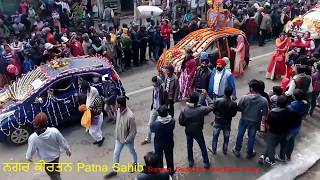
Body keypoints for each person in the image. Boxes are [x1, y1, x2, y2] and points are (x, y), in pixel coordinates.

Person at [26, 112, 71, 180]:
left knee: (51, 174)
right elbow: (62, 142)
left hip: (46, 159)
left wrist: (28, 157)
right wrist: (67, 149)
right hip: (56, 156)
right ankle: (57, 174)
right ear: (46, 122)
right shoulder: (54, 131)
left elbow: (31, 150)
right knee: (55, 166)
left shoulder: (33, 138)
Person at [233, 79, 269, 159]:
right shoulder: (263, 100)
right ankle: (249, 152)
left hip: (244, 119)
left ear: (251, 88)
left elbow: (238, 108)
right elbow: (264, 114)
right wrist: (262, 124)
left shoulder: (244, 98)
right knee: (251, 137)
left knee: (240, 135)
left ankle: (237, 150)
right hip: (255, 121)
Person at [105, 96, 138, 179]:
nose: (115, 105)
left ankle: (134, 164)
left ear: (119, 105)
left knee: (132, 151)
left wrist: (127, 140)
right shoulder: (118, 110)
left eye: (116, 103)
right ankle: (115, 170)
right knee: (116, 153)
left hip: (127, 140)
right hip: (119, 138)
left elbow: (133, 131)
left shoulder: (130, 116)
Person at [179, 92, 213, 168]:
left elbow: (181, 122)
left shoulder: (185, 110)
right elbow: (212, 106)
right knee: (202, 145)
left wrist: (187, 124)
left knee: (189, 145)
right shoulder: (201, 109)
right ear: (197, 100)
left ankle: (190, 161)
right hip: (198, 131)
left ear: (190, 100)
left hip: (188, 131)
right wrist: (206, 95)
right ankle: (206, 162)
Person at [258, 96, 292, 165]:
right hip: (284, 132)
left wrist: (267, 129)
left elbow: (267, 123)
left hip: (273, 132)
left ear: (277, 103)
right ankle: (266, 156)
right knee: (280, 145)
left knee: (270, 146)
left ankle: (271, 160)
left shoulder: (273, 113)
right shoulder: (289, 112)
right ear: (286, 104)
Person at [210, 88, 238, 155]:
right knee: (226, 138)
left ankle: (214, 150)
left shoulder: (217, 100)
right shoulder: (234, 104)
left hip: (217, 121)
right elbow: (234, 114)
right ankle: (225, 150)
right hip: (227, 123)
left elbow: (214, 111)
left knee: (215, 137)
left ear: (224, 92)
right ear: (231, 94)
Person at [150, 105, 175, 174]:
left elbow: (151, 129)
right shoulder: (172, 121)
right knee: (169, 157)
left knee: (159, 159)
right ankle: (171, 172)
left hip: (158, 144)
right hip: (169, 142)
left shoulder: (155, 124)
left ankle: (160, 173)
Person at [79, 81, 105, 146]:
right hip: (93, 116)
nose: (85, 93)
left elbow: (97, 110)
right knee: (97, 130)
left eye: (85, 90)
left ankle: (100, 139)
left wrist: (88, 109)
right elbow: (88, 103)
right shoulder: (89, 92)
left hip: (97, 116)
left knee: (92, 131)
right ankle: (99, 139)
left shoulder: (97, 99)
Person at [141, 76, 165, 145]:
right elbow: (153, 98)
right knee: (150, 125)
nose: (153, 84)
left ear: (158, 82)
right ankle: (148, 139)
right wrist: (152, 106)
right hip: (154, 110)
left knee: (161, 125)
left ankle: (162, 138)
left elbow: (165, 102)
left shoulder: (163, 91)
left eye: (154, 82)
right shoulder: (154, 89)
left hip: (160, 111)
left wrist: (163, 110)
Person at [286, 89, 308, 161]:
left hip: (290, 127)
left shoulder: (292, 106)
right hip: (297, 126)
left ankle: (283, 156)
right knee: (291, 141)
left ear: (294, 97)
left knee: (285, 142)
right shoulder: (305, 104)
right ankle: (288, 156)